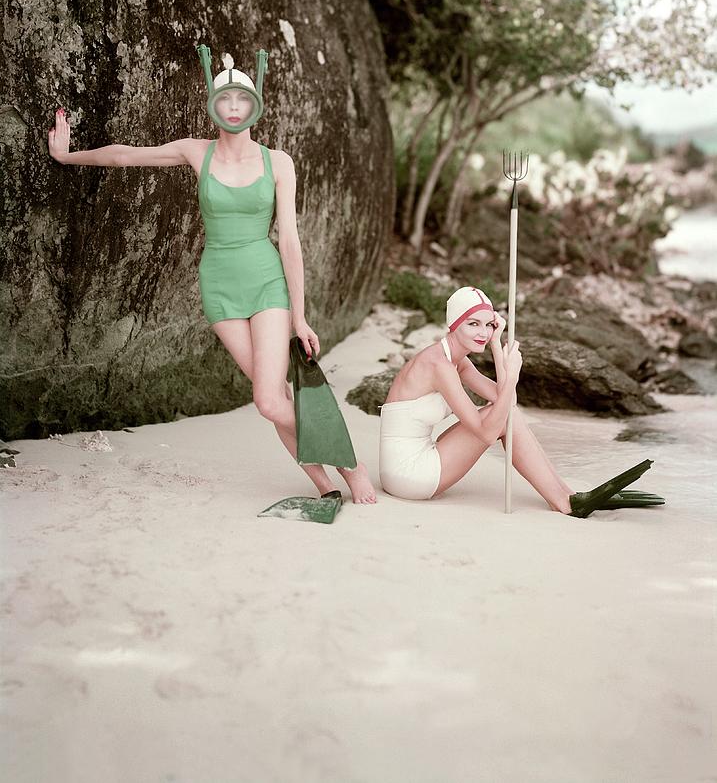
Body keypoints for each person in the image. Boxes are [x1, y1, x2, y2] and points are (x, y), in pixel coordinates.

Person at [47, 46, 376, 504]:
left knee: (266, 400)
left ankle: (351, 468)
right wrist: (68, 157)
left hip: (267, 284)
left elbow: (290, 241)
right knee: (276, 397)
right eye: (226, 102)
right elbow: (125, 157)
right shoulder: (195, 152)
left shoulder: (278, 161)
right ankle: (325, 487)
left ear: (254, 105)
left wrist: (299, 317)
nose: (235, 109)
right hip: (219, 286)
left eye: (242, 101)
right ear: (214, 107)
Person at [379, 286, 661, 515]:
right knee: (498, 420)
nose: (483, 332)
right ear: (453, 325)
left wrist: (496, 346)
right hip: (409, 475)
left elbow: (506, 401)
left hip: (416, 459)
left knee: (503, 414)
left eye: (488, 325)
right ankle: (564, 501)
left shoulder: (458, 360)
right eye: (473, 324)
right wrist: (511, 375)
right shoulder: (438, 364)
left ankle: (568, 495)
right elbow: (487, 430)